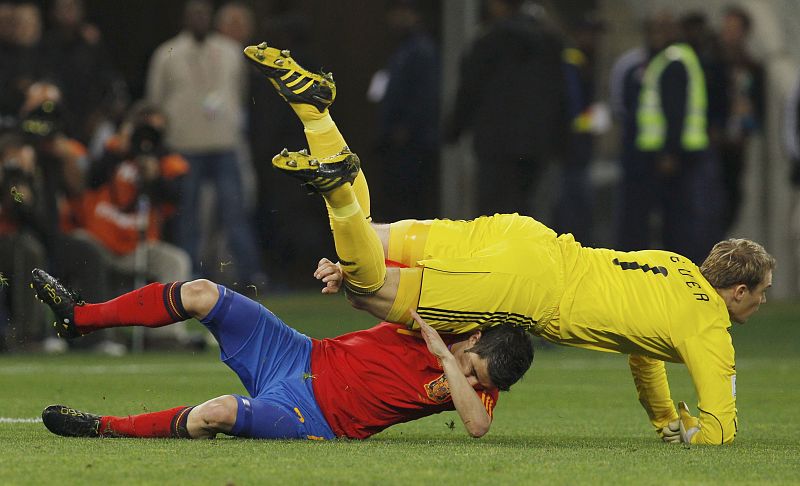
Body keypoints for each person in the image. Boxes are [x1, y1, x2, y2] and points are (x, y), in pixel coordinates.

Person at [242, 41, 775, 446]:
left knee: (372, 239)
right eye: (762, 291)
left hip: (526, 237)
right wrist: (691, 434)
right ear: (739, 291)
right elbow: (721, 430)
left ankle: (316, 111)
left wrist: (662, 420)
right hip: (528, 288)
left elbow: (643, 353)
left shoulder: (673, 266)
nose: (764, 301)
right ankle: (334, 188)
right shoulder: (709, 324)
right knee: (368, 287)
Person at [32, 266, 533, 440]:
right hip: (298, 353)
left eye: (481, 383)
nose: (472, 382)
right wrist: (345, 274)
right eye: (472, 368)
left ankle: (101, 427)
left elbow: (477, 427)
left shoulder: (474, 390)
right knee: (203, 292)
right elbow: (373, 289)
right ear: (472, 338)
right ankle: (79, 318)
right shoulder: (436, 314)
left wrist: (451, 365)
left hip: (313, 416)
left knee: (219, 412)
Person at [146, 0, 265, 287]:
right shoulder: (167, 53)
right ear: (185, 18)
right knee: (188, 216)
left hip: (224, 143)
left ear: (210, 18)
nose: (199, 18)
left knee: (235, 213)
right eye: (194, 14)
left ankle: (251, 275)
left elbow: (239, 93)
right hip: (185, 144)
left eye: (204, 14)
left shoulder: (229, 51)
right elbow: (155, 100)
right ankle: (189, 274)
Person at [445, 0, 567, 218]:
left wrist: (452, 130)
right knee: (529, 211)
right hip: (536, 145)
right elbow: (561, 94)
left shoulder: (489, 41)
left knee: (494, 214)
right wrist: (560, 142)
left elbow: (470, 89)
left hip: (495, 144)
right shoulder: (550, 41)